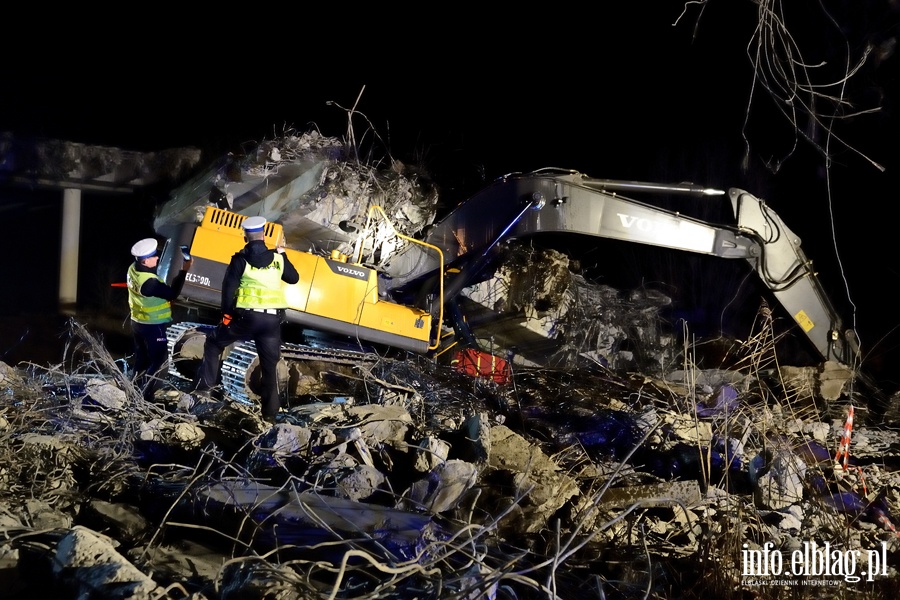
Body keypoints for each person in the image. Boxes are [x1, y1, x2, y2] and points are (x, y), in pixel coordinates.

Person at [193, 216, 299, 423]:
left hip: (247, 318)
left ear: (245, 237)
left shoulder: (240, 259)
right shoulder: (277, 259)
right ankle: (270, 414)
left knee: (214, 342)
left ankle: (204, 391)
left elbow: (228, 289)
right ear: (264, 235)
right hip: (271, 322)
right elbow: (293, 278)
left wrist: (227, 316)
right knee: (269, 367)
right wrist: (283, 255)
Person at [127, 237, 192, 401]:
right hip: (152, 325)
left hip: (137, 321)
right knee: (160, 362)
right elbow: (172, 293)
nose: (157, 258)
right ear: (144, 261)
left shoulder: (133, 270)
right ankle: (146, 396)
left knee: (142, 358)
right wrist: (184, 269)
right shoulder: (149, 283)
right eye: (153, 257)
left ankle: (134, 389)